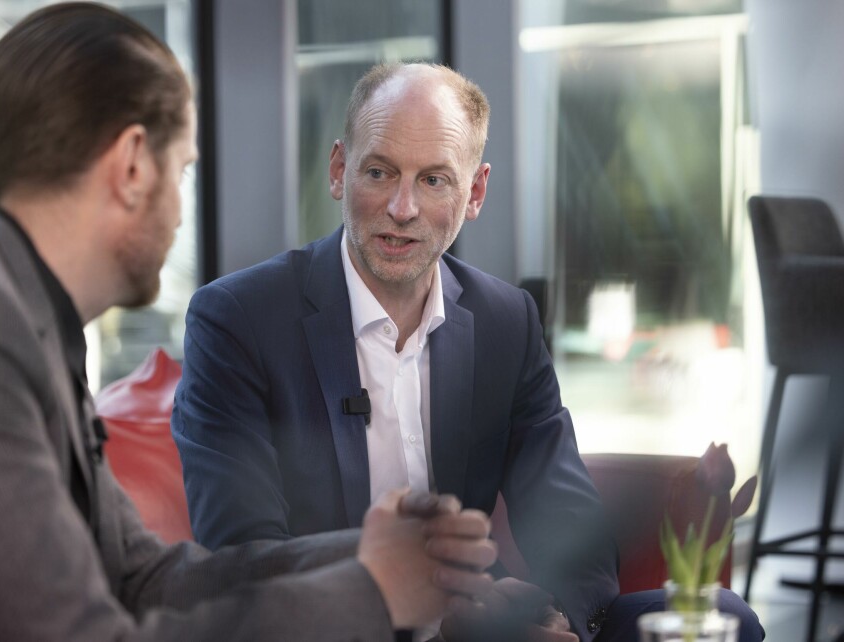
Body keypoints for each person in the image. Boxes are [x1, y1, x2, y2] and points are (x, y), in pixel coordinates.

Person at [0, 6, 500, 640]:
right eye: (182, 170)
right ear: (131, 166)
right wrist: (372, 592)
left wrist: (378, 557)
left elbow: (145, 579)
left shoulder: (12, 310)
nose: (182, 209)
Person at [172, 63, 765, 641]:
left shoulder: (505, 320)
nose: (401, 208)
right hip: (334, 623)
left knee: (725, 619)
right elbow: (243, 554)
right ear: (338, 169)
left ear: (475, 191)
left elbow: (565, 515)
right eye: (379, 172)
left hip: (486, 622)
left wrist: (555, 620)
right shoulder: (238, 321)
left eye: (433, 180)